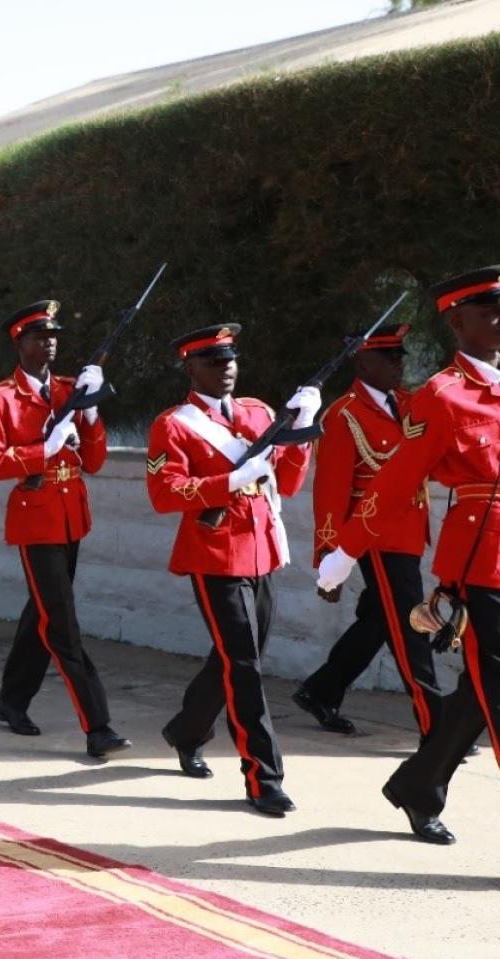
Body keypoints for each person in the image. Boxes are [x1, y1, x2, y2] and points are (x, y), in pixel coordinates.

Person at [317, 264, 500, 889]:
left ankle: (418, 785)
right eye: (488, 309)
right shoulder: (440, 395)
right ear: (455, 322)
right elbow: (396, 482)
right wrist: (343, 551)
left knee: (483, 692)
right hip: (478, 564)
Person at [145, 324, 319, 816]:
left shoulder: (260, 413)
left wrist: (302, 432)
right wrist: (229, 481)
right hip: (215, 552)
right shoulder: (174, 425)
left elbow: (285, 479)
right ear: (191, 367)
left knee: (238, 658)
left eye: (231, 359)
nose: (227, 368)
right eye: (214, 361)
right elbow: (164, 493)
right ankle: (263, 777)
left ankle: (187, 730)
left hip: (262, 548)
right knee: (244, 665)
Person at [0, 300, 124, 760]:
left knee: (42, 612)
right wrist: (42, 449)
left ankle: (11, 700)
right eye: (39, 336)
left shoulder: (72, 390)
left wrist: (91, 416)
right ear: (19, 343)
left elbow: (93, 463)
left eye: (53, 335)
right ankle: (98, 725)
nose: (49, 342)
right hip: (35, 519)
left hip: (70, 514)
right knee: (62, 622)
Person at [293, 323, 446, 743]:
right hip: (376, 538)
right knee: (411, 623)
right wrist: (329, 557)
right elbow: (330, 491)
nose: (399, 364)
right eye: (389, 357)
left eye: (400, 357)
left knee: (380, 619)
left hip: (411, 531)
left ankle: (321, 689)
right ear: (362, 362)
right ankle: (435, 720)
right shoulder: (343, 415)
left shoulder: (409, 404)